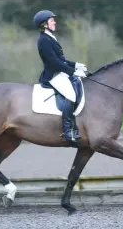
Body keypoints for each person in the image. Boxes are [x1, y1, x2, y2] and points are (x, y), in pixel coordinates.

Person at [33, 10, 88, 145]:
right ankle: (68, 131)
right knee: (71, 95)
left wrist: (76, 65)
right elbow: (54, 62)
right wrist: (72, 72)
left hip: (59, 72)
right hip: (53, 75)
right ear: (44, 24)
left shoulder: (50, 37)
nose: (54, 22)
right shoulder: (43, 40)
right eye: (52, 20)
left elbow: (61, 60)